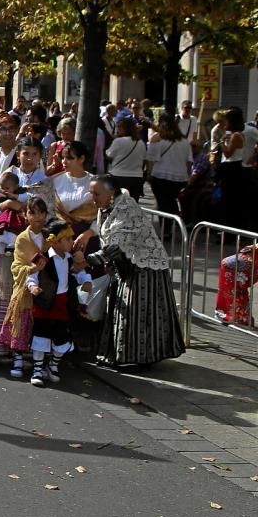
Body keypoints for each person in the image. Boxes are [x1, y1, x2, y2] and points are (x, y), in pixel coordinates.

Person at [80, 176, 185, 367]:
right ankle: (122, 355)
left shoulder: (126, 208)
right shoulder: (108, 206)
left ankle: (139, 358)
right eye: (91, 193)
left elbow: (117, 245)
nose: (92, 197)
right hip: (126, 266)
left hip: (145, 267)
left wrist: (87, 261)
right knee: (125, 311)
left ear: (110, 193)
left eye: (96, 194)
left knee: (138, 312)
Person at [25, 219, 91, 386]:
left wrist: (86, 280)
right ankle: (38, 368)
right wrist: (33, 287)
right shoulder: (43, 258)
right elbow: (31, 275)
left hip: (63, 303)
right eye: (68, 239)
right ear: (55, 241)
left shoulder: (70, 259)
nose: (71, 242)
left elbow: (79, 272)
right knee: (41, 334)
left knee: (62, 335)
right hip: (45, 303)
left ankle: (53, 365)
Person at [0, 198, 50, 379]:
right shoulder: (22, 239)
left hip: (45, 287)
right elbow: (17, 265)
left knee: (41, 326)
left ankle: (39, 363)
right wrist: (32, 269)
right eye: (33, 213)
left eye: (41, 213)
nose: (38, 217)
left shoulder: (48, 238)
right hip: (24, 286)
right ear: (25, 216)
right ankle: (18, 360)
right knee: (20, 323)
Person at [145, 113, 193, 216]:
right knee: (171, 200)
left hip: (160, 175)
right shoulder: (184, 141)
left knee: (163, 203)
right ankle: (172, 224)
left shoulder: (157, 139)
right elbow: (189, 161)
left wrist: (149, 174)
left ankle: (166, 227)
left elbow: (150, 159)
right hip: (179, 178)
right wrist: (188, 175)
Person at [105, 117, 145, 199]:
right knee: (133, 203)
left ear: (126, 128)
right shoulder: (141, 143)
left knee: (118, 202)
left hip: (119, 176)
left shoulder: (119, 141)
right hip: (137, 177)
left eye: (120, 127)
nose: (117, 129)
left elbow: (108, 154)